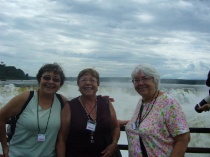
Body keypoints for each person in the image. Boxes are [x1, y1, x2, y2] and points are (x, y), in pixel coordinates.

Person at [0, 63, 67, 157]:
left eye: (56, 79)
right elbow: (1, 118)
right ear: (40, 79)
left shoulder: (62, 102)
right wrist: (4, 147)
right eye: (47, 78)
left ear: (60, 84)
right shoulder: (26, 98)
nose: (51, 82)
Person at [125, 63, 190, 157]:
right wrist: (120, 123)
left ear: (155, 80)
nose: (140, 83)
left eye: (145, 78)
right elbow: (147, 121)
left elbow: (183, 139)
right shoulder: (141, 101)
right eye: (136, 80)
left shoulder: (168, 102)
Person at [56, 68, 121, 157]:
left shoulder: (106, 103)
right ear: (78, 84)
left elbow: (116, 127)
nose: (88, 83)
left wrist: (114, 144)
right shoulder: (70, 106)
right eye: (84, 80)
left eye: (92, 80)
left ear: (98, 84)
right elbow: (61, 138)